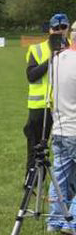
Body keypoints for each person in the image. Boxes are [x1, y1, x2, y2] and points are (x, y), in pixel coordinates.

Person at [25, 13, 70, 173]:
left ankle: (65, 188)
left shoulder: (73, 48)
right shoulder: (37, 49)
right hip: (40, 106)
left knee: (67, 148)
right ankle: (32, 183)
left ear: (68, 28)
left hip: (66, 107)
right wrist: (51, 58)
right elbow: (31, 76)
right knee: (37, 147)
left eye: (63, 27)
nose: (59, 31)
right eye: (56, 28)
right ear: (50, 30)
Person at [47, 33, 76, 235]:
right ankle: (71, 221)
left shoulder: (57, 59)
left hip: (59, 127)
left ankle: (55, 220)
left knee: (60, 175)